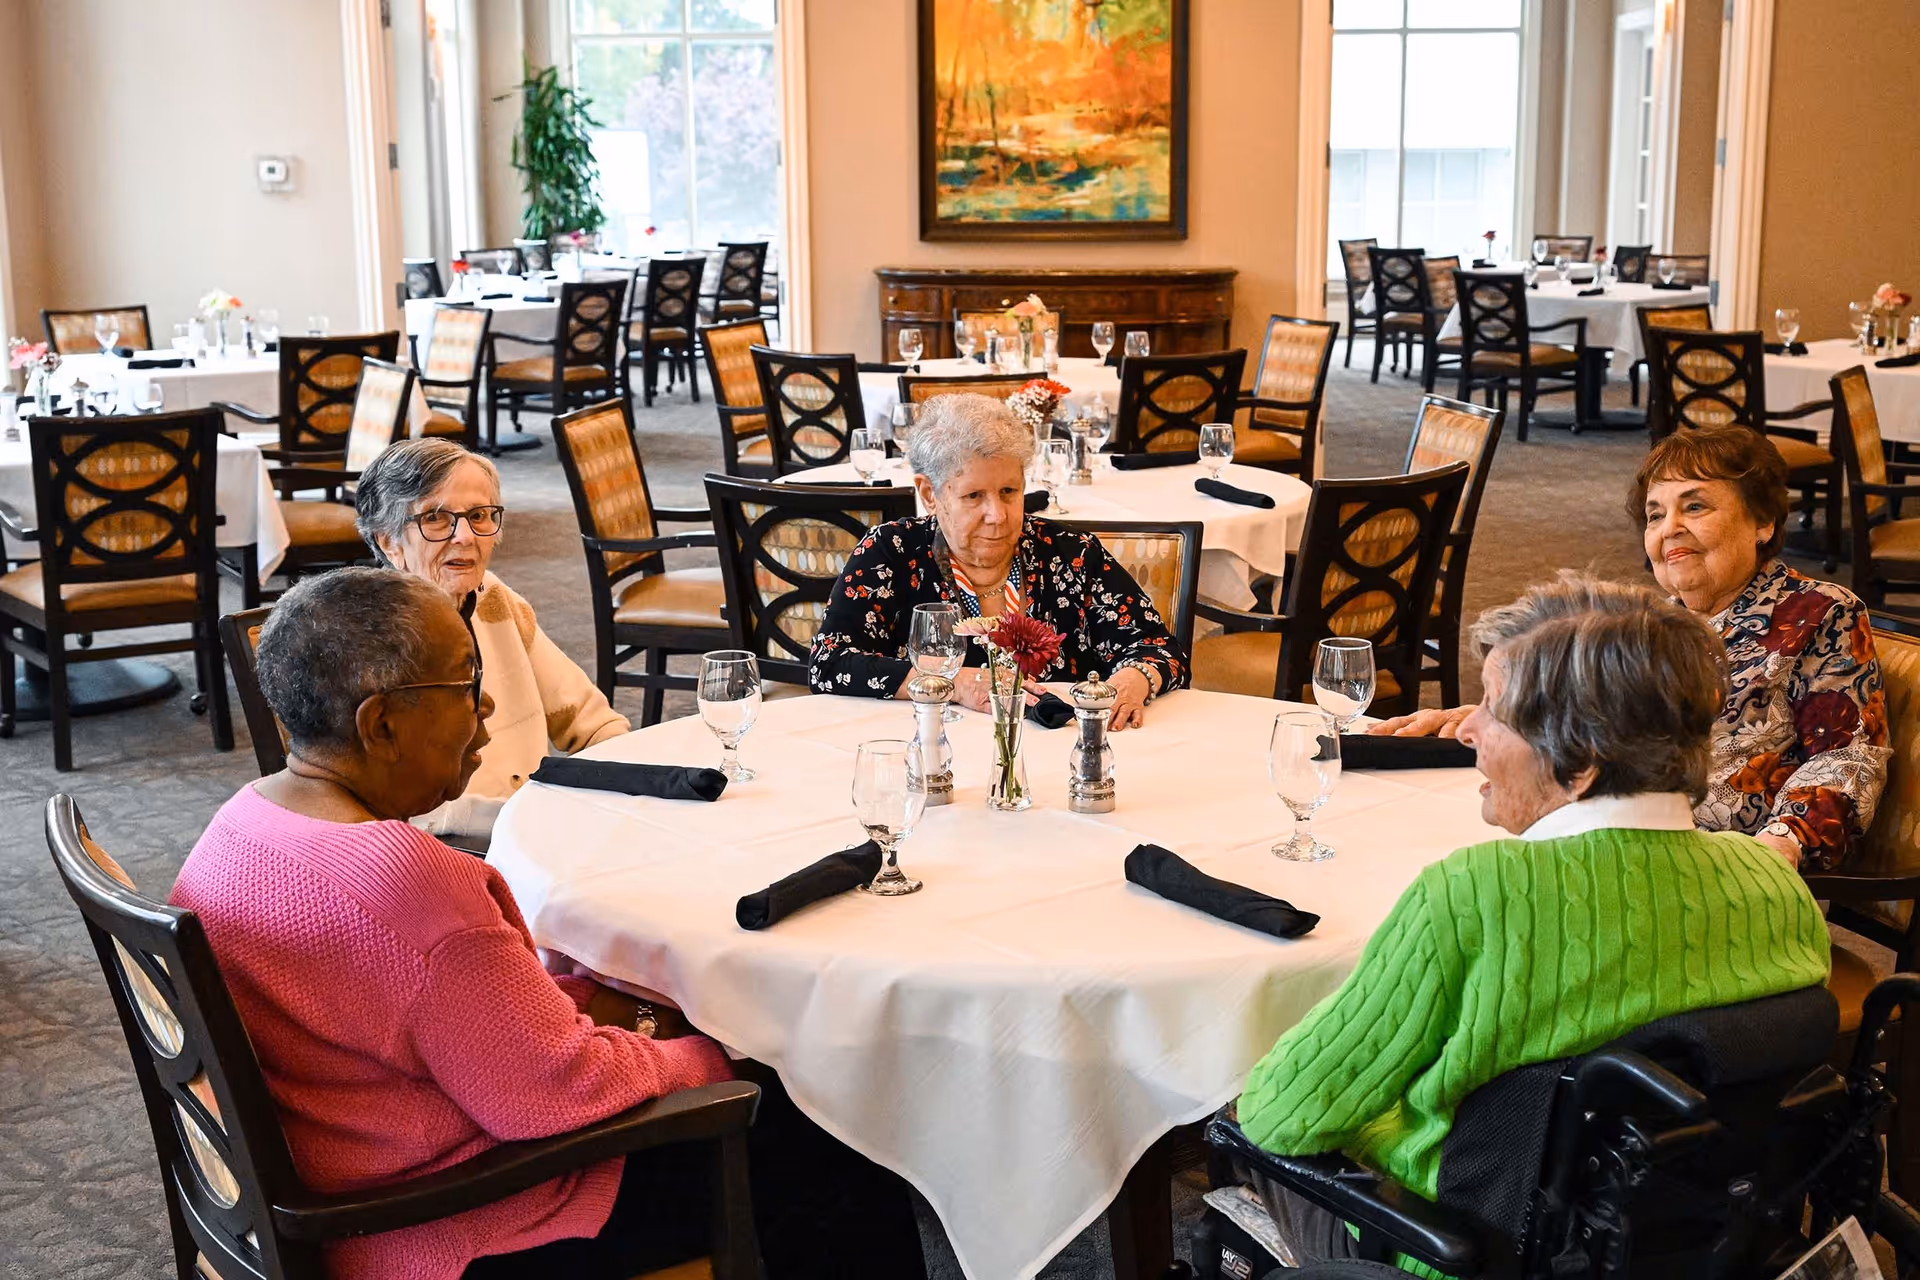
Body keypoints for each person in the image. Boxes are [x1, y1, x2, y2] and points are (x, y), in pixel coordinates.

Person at [170, 568, 927, 1280]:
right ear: (382, 725)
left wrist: (592, 1006)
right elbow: (553, 1094)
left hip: (349, 1161)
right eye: (467, 685)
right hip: (451, 1220)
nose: (488, 708)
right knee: (833, 1134)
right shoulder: (411, 888)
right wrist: (715, 1057)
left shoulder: (239, 825)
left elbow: (441, 1016)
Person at [1237, 573, 1831, 1263]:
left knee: (1237, 1121)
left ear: (1579, 764)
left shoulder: (1474, 895)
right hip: (1698, 1247)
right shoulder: (1775, 883)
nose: (1467, 730)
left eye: (1494, 710)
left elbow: (1282, 1114)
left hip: (1464, 1249)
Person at [1373, 425, 1890, 871]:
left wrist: (1784, 845)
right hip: (1607, 839)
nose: (1670, 529)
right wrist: (1495, 719)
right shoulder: (1656, 623)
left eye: (1695, 505)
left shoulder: (1821, 613)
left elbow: (1848, 759)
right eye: (1654, 515)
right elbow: (1591, 724)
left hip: (1724, 868)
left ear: (1763, 522)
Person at [807, 393, 1189, 729]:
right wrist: (954, 683)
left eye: (1009, 491)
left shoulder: (1072, 554)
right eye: (974, 496)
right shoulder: (891, 552)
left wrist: (1135, 680)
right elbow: (830, 662)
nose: (998, 515)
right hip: (931, 752)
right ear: (929, 492)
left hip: (1061, 755)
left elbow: (1159, 648)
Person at [354, 438, 628, 840]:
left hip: (536, 833)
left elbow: (592, 722)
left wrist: (625, 788)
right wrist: (529, 820)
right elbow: (379, 808)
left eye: (479, 515)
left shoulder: (492, 600)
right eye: (435, 518)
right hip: (436, 857)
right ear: (388, 541)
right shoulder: (367, 641)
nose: (465, 536)